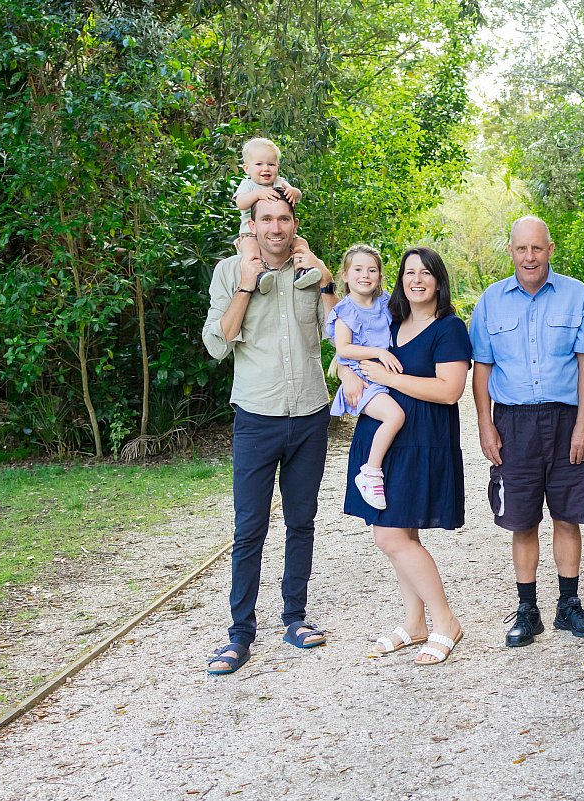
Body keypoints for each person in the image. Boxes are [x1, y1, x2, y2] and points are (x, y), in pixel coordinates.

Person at [201, 190, 338, 675]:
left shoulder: (310, 274)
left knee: (302, 521)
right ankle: (239, 635)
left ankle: (295, 618)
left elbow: (339, 333)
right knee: (249, 528)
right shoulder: (227, 272)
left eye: (284, 218)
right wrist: (244, 283)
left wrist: (324, 278)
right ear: (252, 226)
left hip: (309, 414)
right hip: (256, 418)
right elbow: (218, 344)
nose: (275, 227)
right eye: (266, 219)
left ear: (293, 223)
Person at [469, 215, 584, 647]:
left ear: (550, 249)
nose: (529, 257)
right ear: (510, 251)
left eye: (537, 248)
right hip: (513, 423)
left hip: (566, 420)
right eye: (521, 248)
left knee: (569, 516)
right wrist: (485, 425)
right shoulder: (491, 302)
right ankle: (527, 610)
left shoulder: (577, 296)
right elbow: (481, 370)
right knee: (522, 520)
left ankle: (569, 605)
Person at [341, 247, 470, 665]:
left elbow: (450, 391)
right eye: (409, 272)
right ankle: (415, 623)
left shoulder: (449, 328)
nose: (417, 280)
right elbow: (347, 349)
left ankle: (445, 620)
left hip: (424, 439)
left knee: (391, 536)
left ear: (438, 280)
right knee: (401, 535)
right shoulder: (389, 320)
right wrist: (348, 371)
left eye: (426, 273)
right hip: (386, 438)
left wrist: (385, 376)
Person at [326, 244, 406, 510]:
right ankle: (370, 472)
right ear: (345, 275)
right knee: (395, 416)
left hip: (382, 376)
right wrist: (377, 352)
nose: (365, 275)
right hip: (363, 378)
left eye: (372, 270)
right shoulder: (345, 311)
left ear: (380, 277)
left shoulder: (384, 304)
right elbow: (343, 349)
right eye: (358, 269)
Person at [232, 137, 319, 294]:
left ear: (277, 167)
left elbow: (298, 194)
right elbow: (241, 203)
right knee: (251, 252)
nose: (266, 168)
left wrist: (294, 193)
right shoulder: (248, 185)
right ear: (246, 168)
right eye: (259, 164)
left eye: (271, 164)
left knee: (301, 243)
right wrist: (257, 194)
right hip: (249, 235)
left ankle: (301, 271)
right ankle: (258, 277)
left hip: (280, 236)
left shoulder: (279, 182)